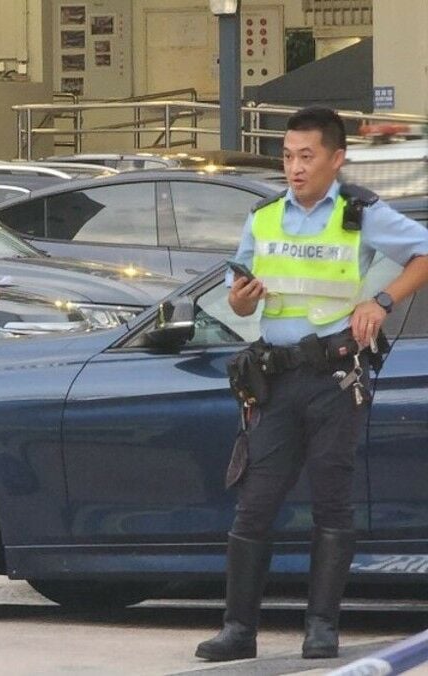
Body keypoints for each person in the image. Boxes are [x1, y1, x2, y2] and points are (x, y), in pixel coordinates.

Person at [196, 106, 428, 662]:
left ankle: (321, 628)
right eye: (287, 156)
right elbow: (237, 290)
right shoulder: (265, 216)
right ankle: (238, 630)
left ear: (336, 159)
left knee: (332, 501)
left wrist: (381, 301)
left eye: (307, 156)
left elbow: (423, 254)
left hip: (333, 377)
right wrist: (240, 298)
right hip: (275, 378)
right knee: (255, 504)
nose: (295, 168)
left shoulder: (359, 212)